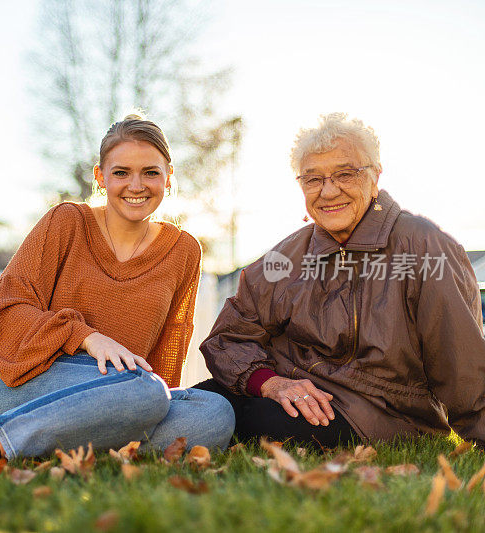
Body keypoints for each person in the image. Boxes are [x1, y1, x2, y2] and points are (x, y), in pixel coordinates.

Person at [0, 114, 234, 473]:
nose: (136, 185)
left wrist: (138, 405)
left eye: (150, 172)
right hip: (18, 381)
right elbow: (5, 312)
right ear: (100, 177)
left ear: (168, 176)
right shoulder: (66, 222)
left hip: (121, 396)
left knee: (215, 411)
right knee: (147, 390)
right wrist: (87, 337)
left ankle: (63, 440)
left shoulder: (184, 250)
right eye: (121, 172)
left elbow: (167, 354)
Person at [195, 112, 485, 448]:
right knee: (195, 407)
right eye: (313, 179)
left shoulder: (425, 246)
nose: (328, 191)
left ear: (375, 176)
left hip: (382, 411)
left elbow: (460, 361)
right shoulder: (287, 255)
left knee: (254, 423)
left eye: (345, 174)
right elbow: (228, 338)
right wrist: (270, 383)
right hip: (289, 391)